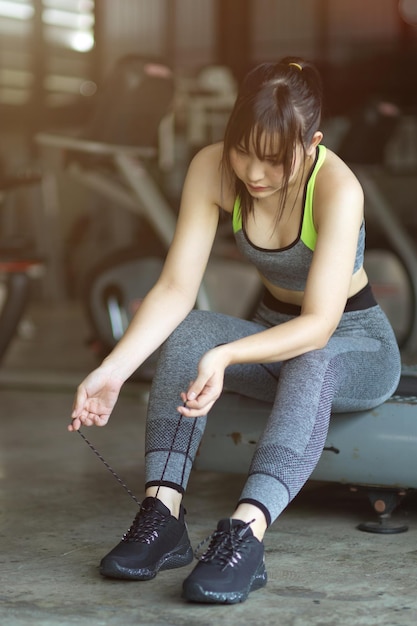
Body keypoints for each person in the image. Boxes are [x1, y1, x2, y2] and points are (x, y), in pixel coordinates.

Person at [69, 57, 401, 604]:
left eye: (273, 160)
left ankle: (245, 534)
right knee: (196, 329)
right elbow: (176, 287)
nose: (253, 173)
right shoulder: (212, 168)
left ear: (312, 142)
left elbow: (319, 326)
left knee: (307, 361)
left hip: (352, 343)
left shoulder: (338, 188)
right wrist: (114, 369)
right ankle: (163, 515)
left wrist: (227, 359)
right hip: (272, 333)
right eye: (242, 149)